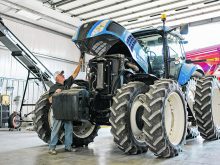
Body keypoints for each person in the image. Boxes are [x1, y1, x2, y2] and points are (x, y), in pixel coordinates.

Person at [48, 58, 83, 155]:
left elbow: (75, 74)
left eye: (63, 74)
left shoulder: (67, 83)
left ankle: (68, 147)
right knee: (55, 130)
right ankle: (52, 148)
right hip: (59, 113)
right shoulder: (53, 87)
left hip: (67, 112)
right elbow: (50, 100)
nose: (63, 75)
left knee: (69, 129)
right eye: (61, 74)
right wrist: (55, 93)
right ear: (57, 78)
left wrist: (79, 64)